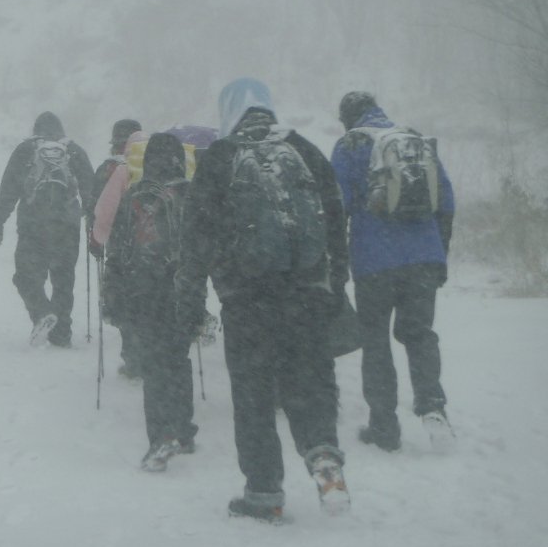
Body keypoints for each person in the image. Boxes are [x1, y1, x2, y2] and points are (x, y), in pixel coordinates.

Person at [176, 78, 351, 522]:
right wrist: (335, 287)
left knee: (253, 397)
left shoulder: (220, 157)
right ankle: (324, 457)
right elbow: (335, 221)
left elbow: (195, 237)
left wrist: (193, 301)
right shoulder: (305, 149)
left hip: (248, 300)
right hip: (309, 295)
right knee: (309, 381)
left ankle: (264, 493)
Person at [330, 91, 455, 453]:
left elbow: (338, 208)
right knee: (419, 333)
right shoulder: (414, 141)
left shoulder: (350, 145)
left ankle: (384, 427)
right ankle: (433, 408)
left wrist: (337, 264)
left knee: (376, 342)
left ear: (346, 117)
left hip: (375, 262)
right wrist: (439, 255)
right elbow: (446, 201)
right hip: (423, 259)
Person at [104, 132, 198, 472]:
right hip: (183, 290)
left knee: (155, 364)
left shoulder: (134, 196)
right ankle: (184, 430)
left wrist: (112, 295)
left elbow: (116, 250)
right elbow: (203, 248)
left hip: (144, 292)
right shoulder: (191, 195)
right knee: (179, 357)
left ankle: (160, 436)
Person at [0, 112, 94, 347]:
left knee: (26, 276)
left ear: (36, 129)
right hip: (67, 224)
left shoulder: (25, 150)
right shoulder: (73, 151)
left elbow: (9, 187)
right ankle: (62, 334)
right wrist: (92, 219)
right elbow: (90, 188)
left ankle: (41, 312)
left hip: (32, 224)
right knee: (63, 279)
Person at [91, 127, 147, 377]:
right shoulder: (173, 170)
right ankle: (162, 358)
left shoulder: (125, 170)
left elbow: (106, 211)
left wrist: (98, 239)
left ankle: (134, 361)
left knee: (127, 305)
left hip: (127, 252)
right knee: (159, 306)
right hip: (165, 254)